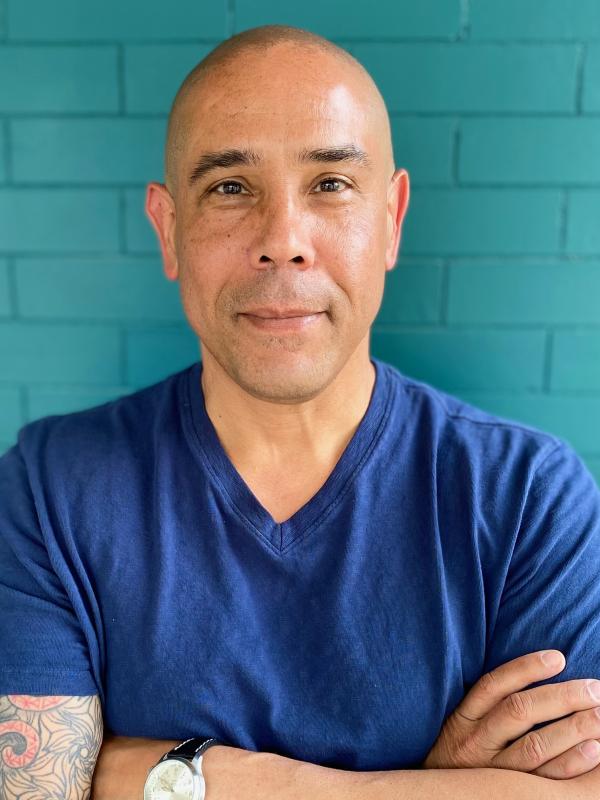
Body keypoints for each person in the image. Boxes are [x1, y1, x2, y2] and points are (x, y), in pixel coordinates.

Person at [1, 23, 600, 800]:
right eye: (228, 187)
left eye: (330, 184)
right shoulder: (49, 489)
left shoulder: (527, 496)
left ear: (391, 218)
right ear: (168, 228)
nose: (283, 241)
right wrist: (432, 786)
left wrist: (171, 775)